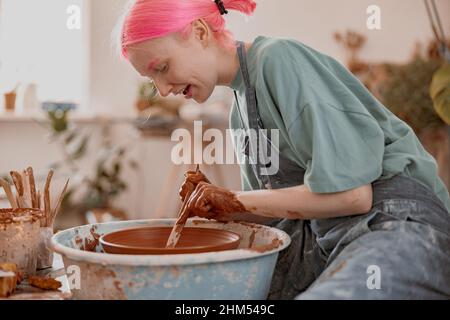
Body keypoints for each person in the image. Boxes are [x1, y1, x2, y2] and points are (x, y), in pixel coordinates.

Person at [116, 0, 450, 299]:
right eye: (151, 80)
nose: (161, 89)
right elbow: (277, 214)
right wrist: (214, 205)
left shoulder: (279, 59)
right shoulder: (239, 110)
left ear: (200, 32)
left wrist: (232, 199)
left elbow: (354, 196)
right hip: (329, 236)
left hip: (397, 224)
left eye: (161, 68)